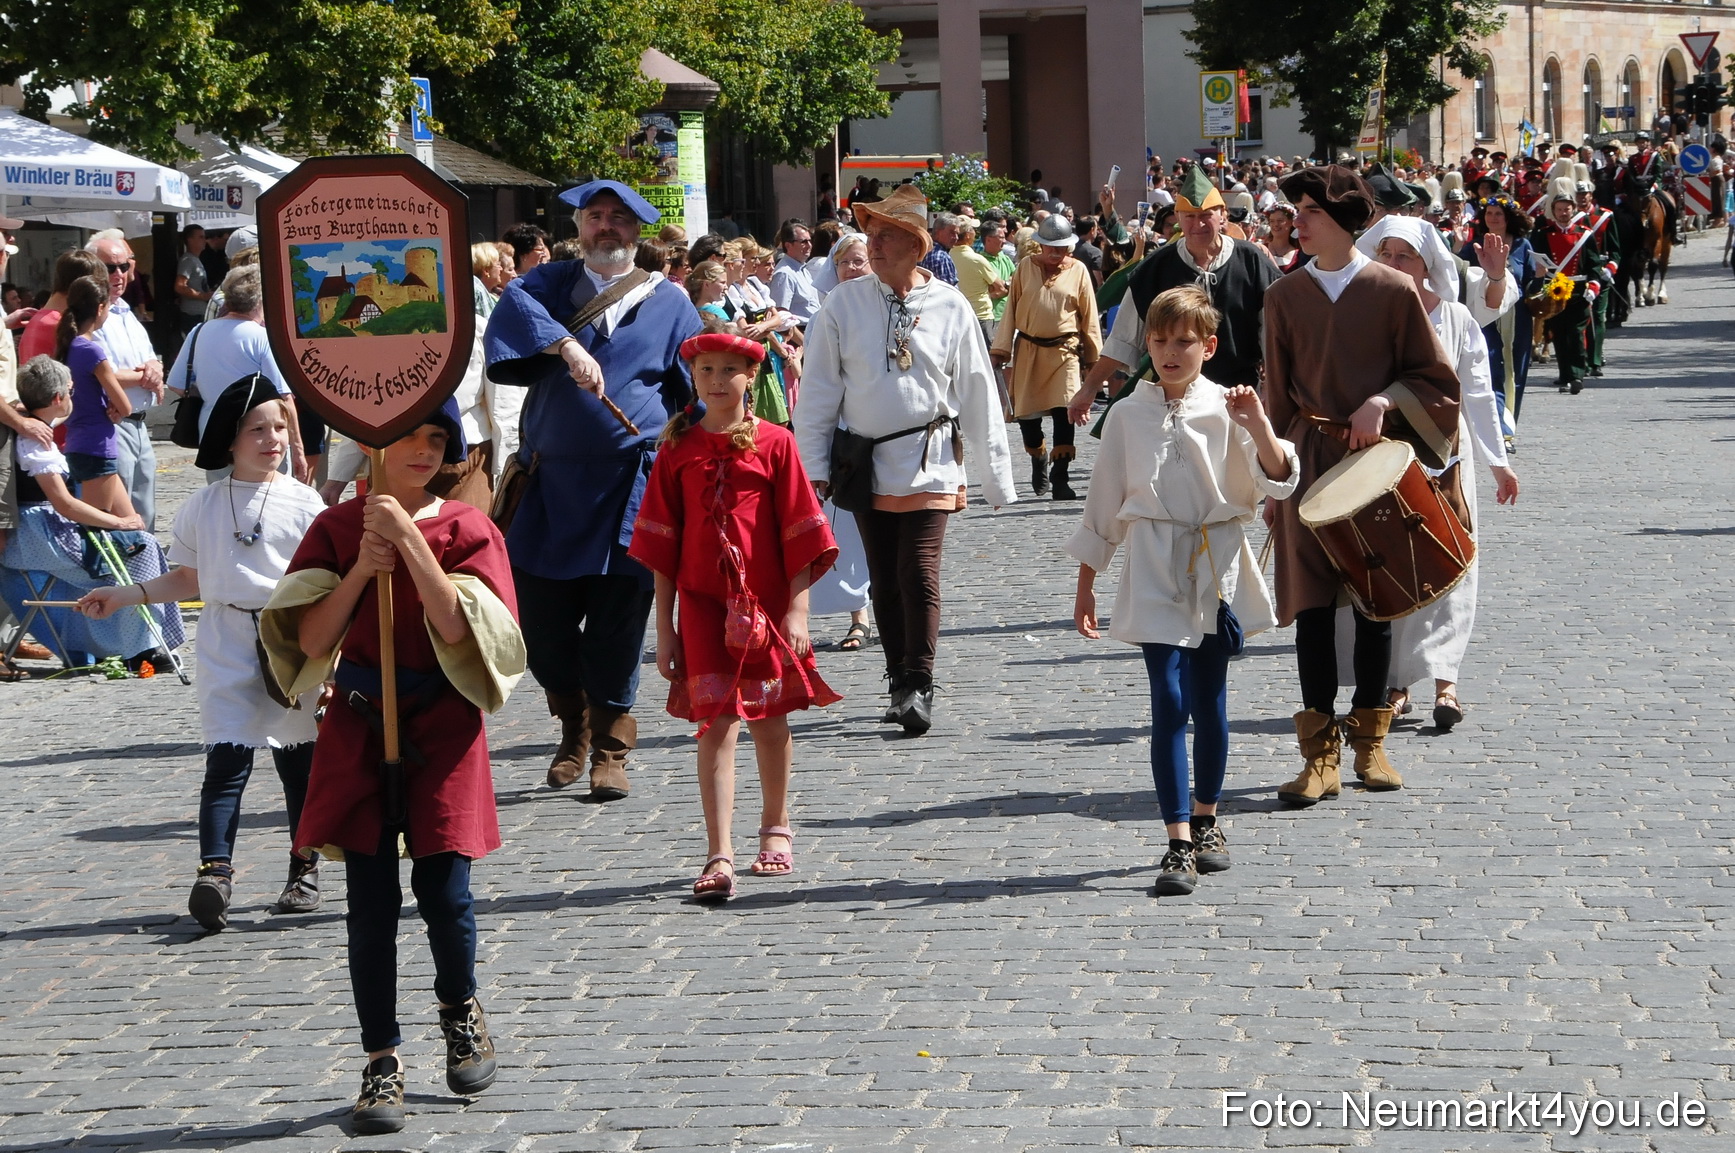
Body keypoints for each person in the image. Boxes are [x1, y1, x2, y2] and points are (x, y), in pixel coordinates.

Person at [260, 401, 525, 1136]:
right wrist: (360, 569)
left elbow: (460, 628)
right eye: (409, 435)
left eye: (436, 438)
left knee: (445, 890)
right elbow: (311, 640)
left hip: (441, 724)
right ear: (374, 446)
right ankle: (381, 1060)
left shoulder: (468, 528)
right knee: (369, 905)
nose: (423, 449)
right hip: (358, 723)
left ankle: (459, 1009)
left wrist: (409, 540)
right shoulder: (336, 527)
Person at [1069, 286, 1298, 896]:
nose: (1170, 352)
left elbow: (1278, 479)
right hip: (1151, 560)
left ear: (1208, 346)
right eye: (1159, 340)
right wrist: (1087, 584)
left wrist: (1258, 424)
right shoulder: (1127, 414)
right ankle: (1176, 840)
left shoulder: (1230, 405)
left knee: (1209, 699)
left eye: (1184, 342)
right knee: (1167, 700)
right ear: (1146, 344)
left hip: (1215, 561)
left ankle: (1206, 817)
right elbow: (1104, 503)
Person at [78, 376, 328, 928]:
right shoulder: (203, 505)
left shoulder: (305, 502)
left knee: (298, 764)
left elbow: (324, 582)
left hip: (289, 640)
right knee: (226, 762)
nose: (272, 439)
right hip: (225, 640)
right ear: (230, 439)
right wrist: (123, 595)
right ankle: (215, 872)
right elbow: (187, 579)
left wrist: (329, 654)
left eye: (279, 427)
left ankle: (303, 869)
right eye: (257, 429)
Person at [484, 179, 703, 799]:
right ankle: (573, 721)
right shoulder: (550, 285)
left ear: (638, 231)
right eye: (595, 216)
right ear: (580, 226)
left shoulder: (670, 302)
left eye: (619, 218)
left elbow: (694, 392)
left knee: (617, 622)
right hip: (550, 488)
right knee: (541, 626)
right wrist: (565, 345)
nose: (606, 227)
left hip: (630, 490)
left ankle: (610, 746)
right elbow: (513, 304)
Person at [1262, 164, 1460, 806]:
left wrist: (1383, 400)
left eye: (1311, 212)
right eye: (1296, 212)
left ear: (1345, 221)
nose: (1298, 222)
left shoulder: (1392, 290)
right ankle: (1318, 757)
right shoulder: (1283, 297)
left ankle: (1371, 743)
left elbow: (1436, 380)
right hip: (1307, 460)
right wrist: (1273, 481)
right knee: (1312, 611)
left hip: (1374, 464)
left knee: (1378, 602)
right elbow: (1275, 395)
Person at [794, 184, 1017, 735]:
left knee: (917, 570)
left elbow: (977, 389)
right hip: (862, 462)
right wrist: (812, 469)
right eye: (870, 234)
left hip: (929, 456)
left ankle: (920, 681)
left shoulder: (950, 305)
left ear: (917, 246)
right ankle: (898, 680)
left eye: (887, 236)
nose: (873, 245)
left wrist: (994, 476)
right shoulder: (843, 303)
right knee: (883, 576)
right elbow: (819, 391)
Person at [628, 329, 839, 900]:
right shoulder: (676, 448)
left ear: (751, 377)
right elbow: (662, 549)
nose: (717, 381)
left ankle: (775, 826)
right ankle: (718, 852)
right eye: (706, 371)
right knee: (715, 724)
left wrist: (798, 611)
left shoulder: (776, 444)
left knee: (769, 720)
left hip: (765, 606)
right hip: (700, 607)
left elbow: (800, 533)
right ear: (693, 379)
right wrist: (665, 630)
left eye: (729, 370)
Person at [1358, 217, 1520, 733]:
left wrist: (1498, 463)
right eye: (1384, 254)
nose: (1392, 264)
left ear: (1426, 264)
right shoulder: (1365, 315)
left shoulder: (1454, 317)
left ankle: (1446, 681)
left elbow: (1478, 394)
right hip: (1385, 461)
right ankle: (1398, 683)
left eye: (1403, 255)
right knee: (1394, 566)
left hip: (1447, 458)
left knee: (1453, 561)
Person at [2, 356, 181, 669]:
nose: (73, 398)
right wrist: (119, 522)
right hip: (38, 536)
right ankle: (139, 648)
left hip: (46, 529)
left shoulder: (37, 428)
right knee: (140, 549)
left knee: (139, 545)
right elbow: (65, 504)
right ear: (57, 399)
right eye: (71, 392)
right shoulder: (35, 443)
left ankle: (120, 643)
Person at [1072, 166, 1280, 427]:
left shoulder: (1251, 261)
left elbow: (1274, 336)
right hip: (1175, 399)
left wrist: (1273, 389)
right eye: (1189, 216)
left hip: (1239, 393)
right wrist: (1089, 388)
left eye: (1206, 215)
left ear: (1222, 215)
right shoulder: (1156, 267)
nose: (1198, 224)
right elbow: (1124, 337)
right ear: (1179, 217)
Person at [990, 216, 1101, 500]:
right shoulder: (1025, 268)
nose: (1055, 252)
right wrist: (1001, 350)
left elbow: (1089, 316)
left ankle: (1060, 476)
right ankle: (1038, 456)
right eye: (1051, 247)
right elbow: (1010, 311)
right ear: (1040, 245)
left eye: (1061, 247)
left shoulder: (1078, 270)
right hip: (1029, 350)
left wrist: (1094, 360)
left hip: (1065, 352)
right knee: (1027, 419)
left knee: (1066, 413)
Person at [165, 266, 310, 483]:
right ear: (261, 300)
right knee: (268, 494)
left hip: (212, 430)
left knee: (222, 494)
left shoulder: (199, 331)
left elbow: (176, 384)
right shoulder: (262, 337)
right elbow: (283, 397)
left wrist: (212, 390)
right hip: (259, 433)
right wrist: (298, 449)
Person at [804, 233, 874, 651]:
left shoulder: (889, 310)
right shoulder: (822, 317)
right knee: (843, 524)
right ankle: (858, 614)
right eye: (844, 262)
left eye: (859, 260)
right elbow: (815, 389)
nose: (851, 269)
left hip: (887, 435)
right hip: (842, 438)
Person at [88, 233, 167, 530]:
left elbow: (151, 361)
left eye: (124, 266)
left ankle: (145, 557)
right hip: (111, 422)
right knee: (121, 515)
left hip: (140, 422)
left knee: (145, 511)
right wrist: (146, 376)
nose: (119, 274)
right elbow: (97, 371)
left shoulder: (124, 311)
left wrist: (155, 368)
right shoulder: (90, 315)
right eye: (110, 267)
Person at [1460, 195, 1537, 451]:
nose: (1493, 218)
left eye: (1498, 214)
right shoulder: (1474, 245)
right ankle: (1495, 430)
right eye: (1489, 213)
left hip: (1517, 318)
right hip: (1485, 317)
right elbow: (1459, 275)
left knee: (1515, 373)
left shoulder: (1523, 245)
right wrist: (1457, 245)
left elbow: (1532, 287)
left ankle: (1508, 430)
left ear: (1508, 218)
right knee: (1492, 371)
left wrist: (1540, 278)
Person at [769, 219, 822, 325]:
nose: (809, 245)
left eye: (810, 241)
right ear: (788, 245)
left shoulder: (803, 270)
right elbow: (781, 315)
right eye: (803, 242)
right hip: (800, 330)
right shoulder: (784, 274)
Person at [175, 225, 214, 339]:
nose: (204, 240)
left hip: (199, 315)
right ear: (190, 240)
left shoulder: (195, 260)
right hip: (192, 316)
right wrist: (203, 296)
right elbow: (179, 286)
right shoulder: (188, 260)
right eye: (201, 237)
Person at [919, 212, 961, 286]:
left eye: (957, 234)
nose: (956, 238)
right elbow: (948, 289)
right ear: (938, 232)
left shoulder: (922, 250)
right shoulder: (941, 257)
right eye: (952, 232)